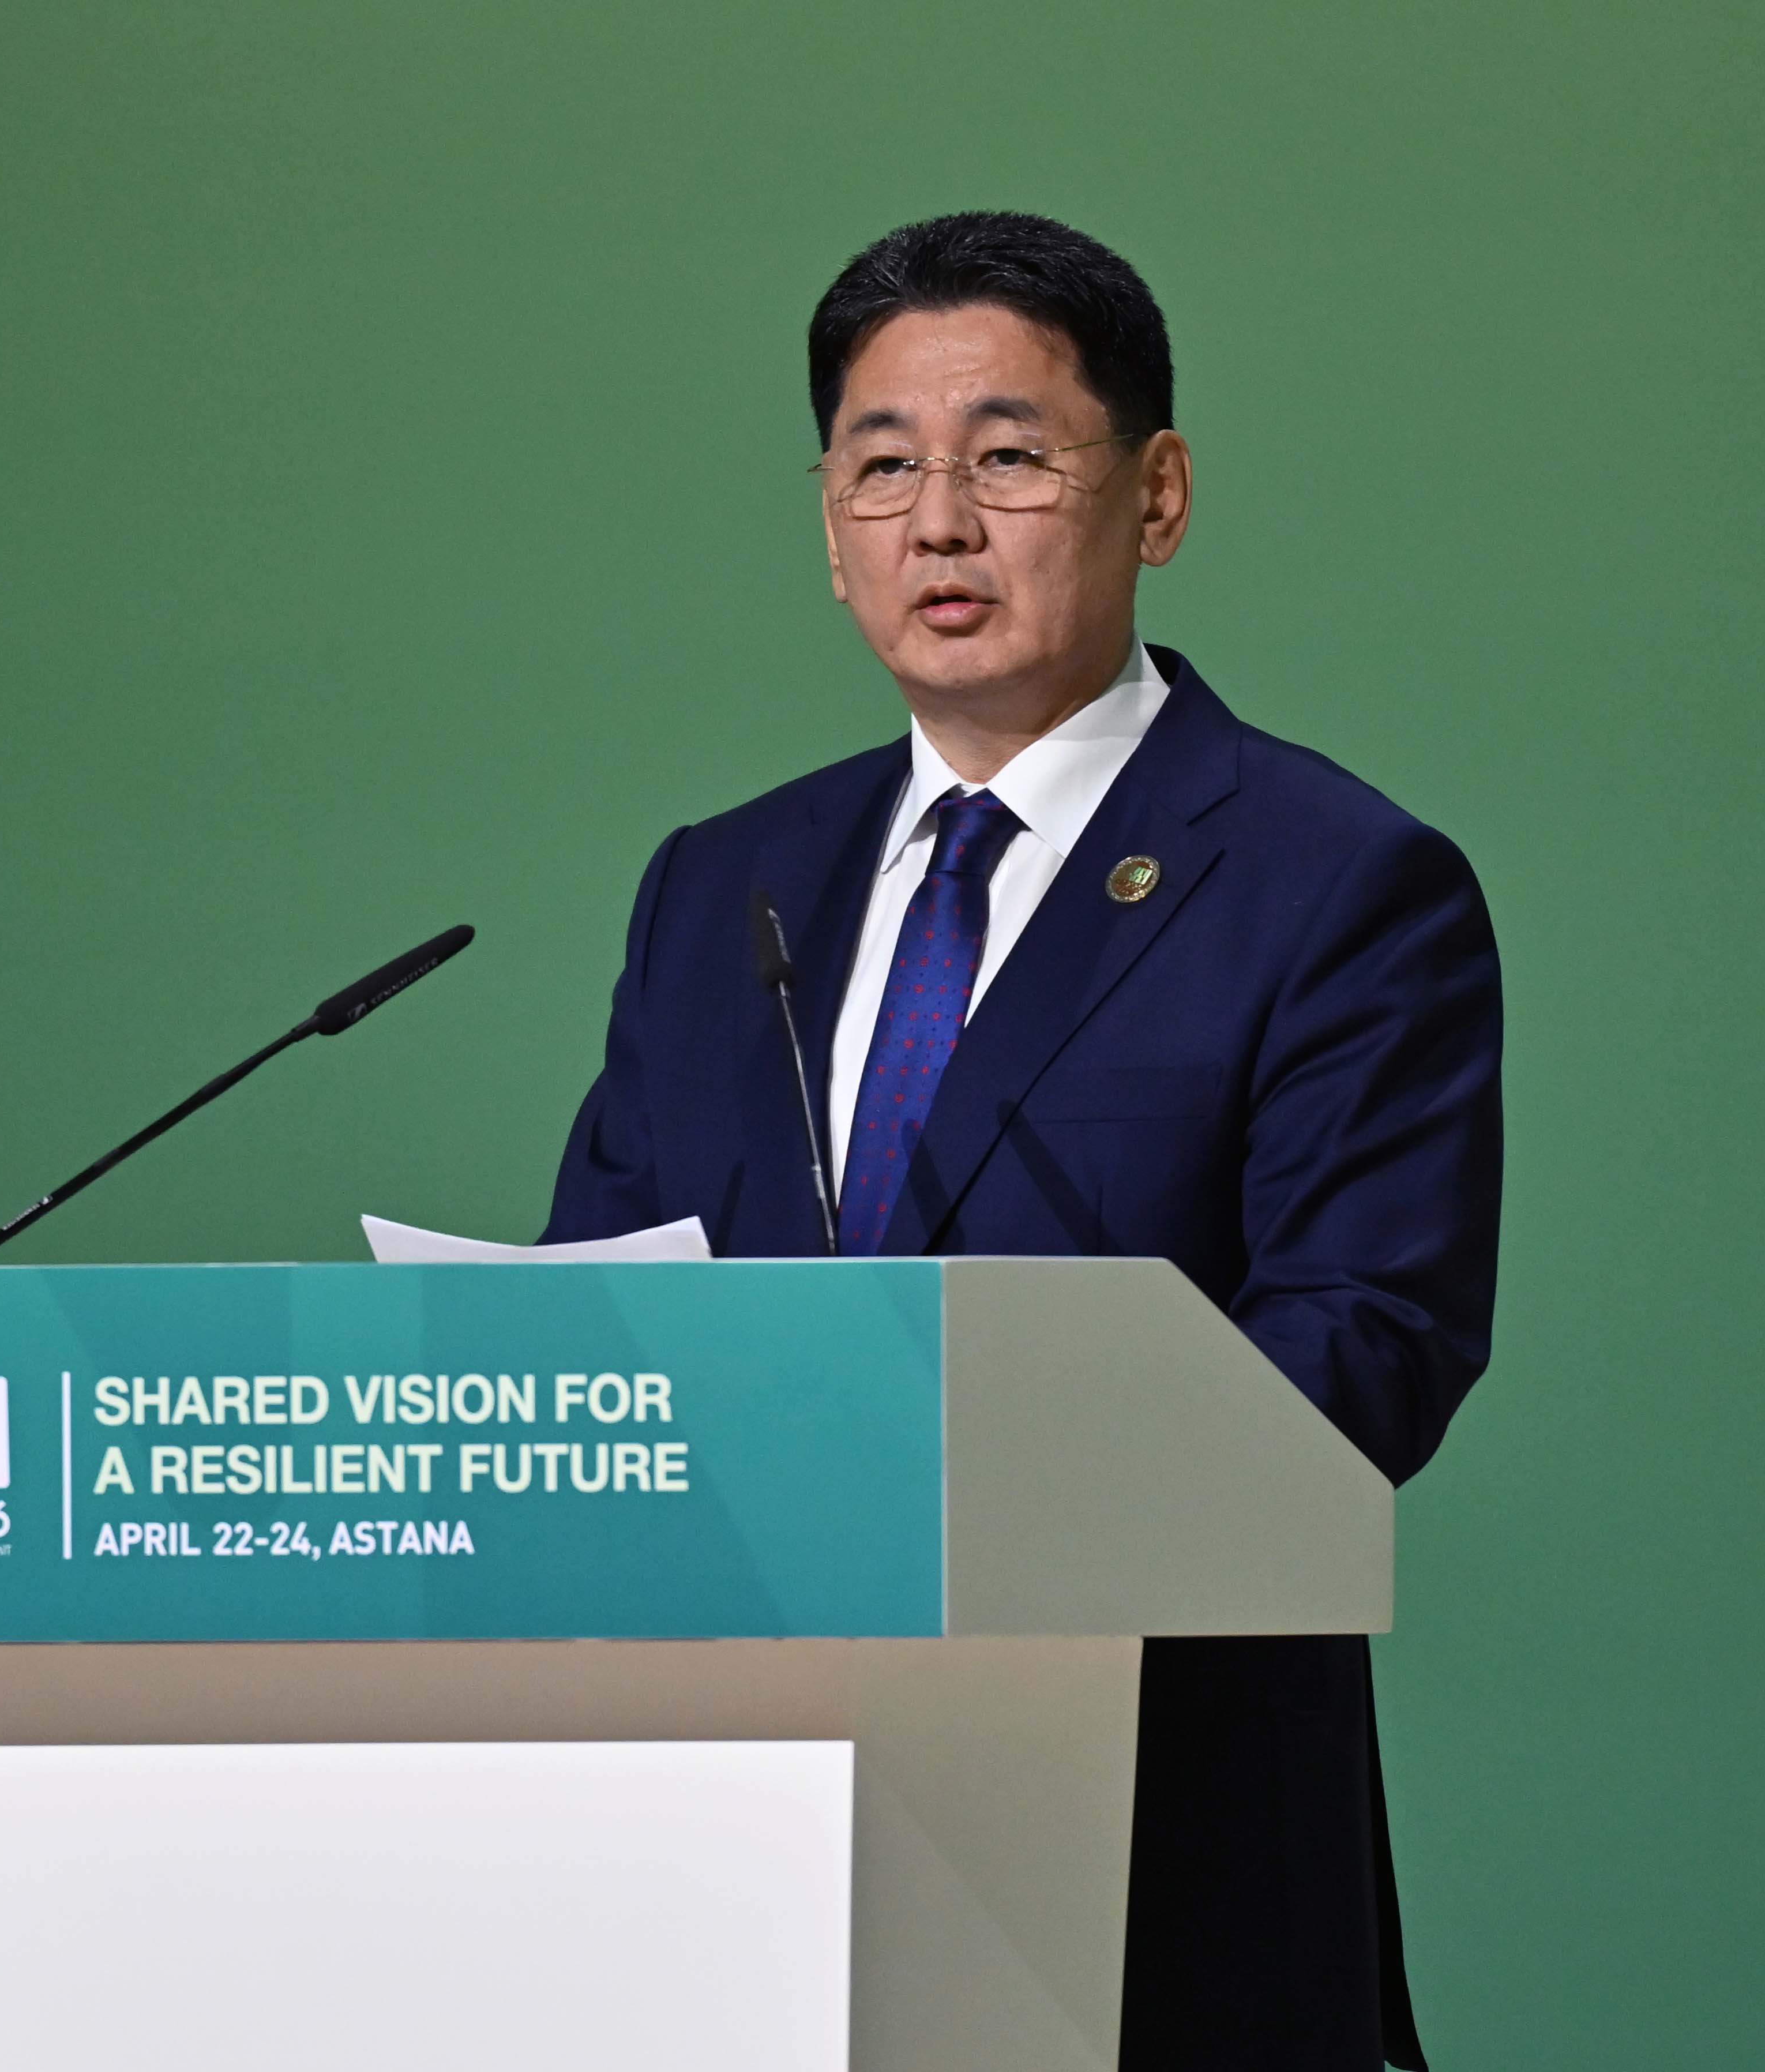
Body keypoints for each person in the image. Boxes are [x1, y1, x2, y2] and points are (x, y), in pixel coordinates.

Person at [542, 211, 1502, 2070]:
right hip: (735, 1847)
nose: (939, 524)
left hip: (1154, 1862)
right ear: (830, 530)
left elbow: (1362, 1354)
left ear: (1159, 496)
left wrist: (940, 1485)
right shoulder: (722, 887)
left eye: (1006, 459)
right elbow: (600, 1320)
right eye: (881, 466)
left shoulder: (1335, 885)